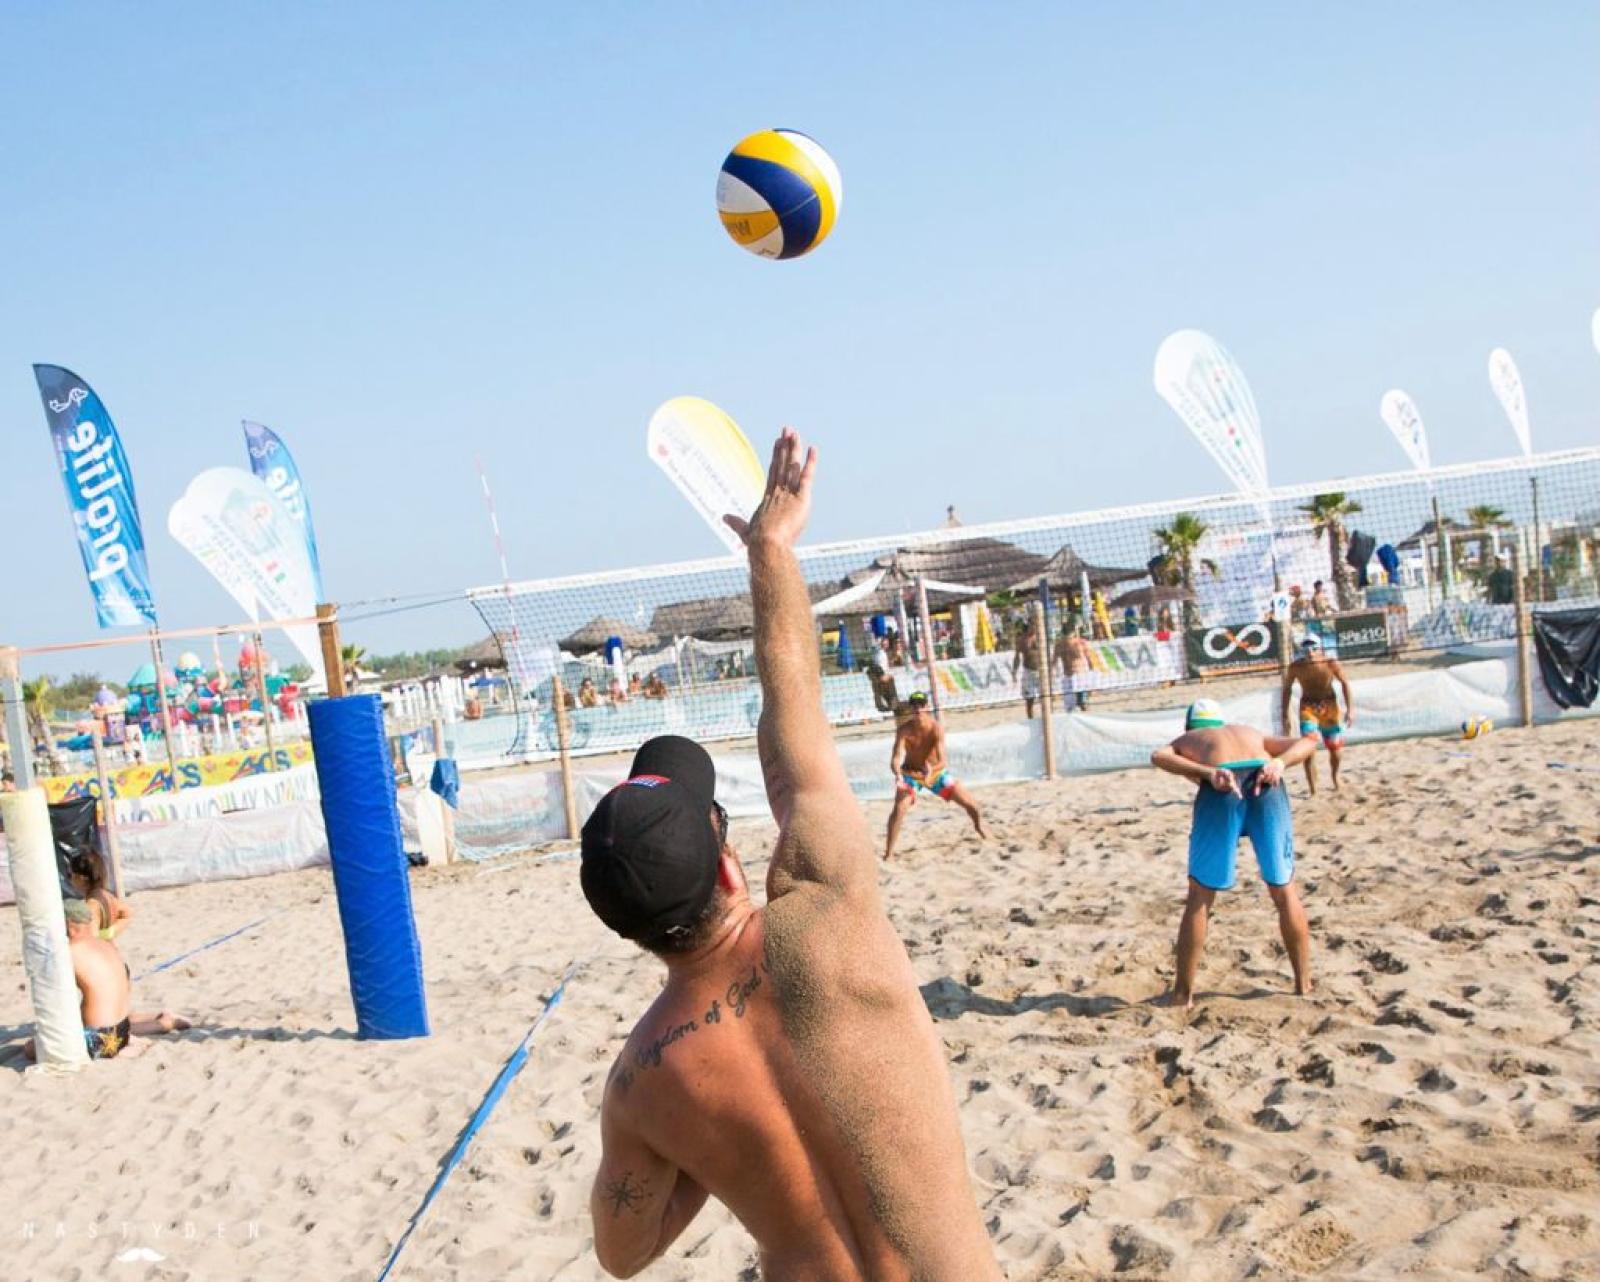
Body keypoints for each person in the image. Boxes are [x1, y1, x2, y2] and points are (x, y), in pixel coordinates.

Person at [580, 428, 1000, 1278]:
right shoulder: (831, 906)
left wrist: (700, 1150)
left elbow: (622, 1254)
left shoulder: (640, 1085)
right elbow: (794, 719)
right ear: (732, 867)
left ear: (629, 930)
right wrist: (772, 548)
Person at [1151, 699, 1319, 1009]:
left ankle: (1182, 995)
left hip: (1221, 789)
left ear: (1191, 728)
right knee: (1284, 891)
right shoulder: (1249, 733)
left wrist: (1207, 771)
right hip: (1265, 781)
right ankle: (1303, 983)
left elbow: (1159, 755)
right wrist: (1280, 763)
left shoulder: (1190, 740)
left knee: (1200, 896)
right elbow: (1309, 740)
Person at [884, 692, 987, 860]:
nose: (918, 708)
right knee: (899, 809)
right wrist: (897, 773)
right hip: (911, 773)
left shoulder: (935, 728)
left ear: (926, 707)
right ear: (910, 708)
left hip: (936, 773)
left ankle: (980, 828)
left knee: (971, 805)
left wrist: (931, 770)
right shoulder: (904, 730)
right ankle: (889, 852)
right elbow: (896, 757)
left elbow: (942, 761)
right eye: (914, 705)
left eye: (921, 705)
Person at [1280, 635, 1354, 794]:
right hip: (1308, 707)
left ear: (1320, 648)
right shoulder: (1296, 667)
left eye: (1313, 648)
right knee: (1308, 748)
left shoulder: (1330, 663)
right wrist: (1285, 715)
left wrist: (1350, 710)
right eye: (1306, 649)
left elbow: (1345, 683)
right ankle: (1313, 789)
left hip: (1329, 706)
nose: (1310, 652)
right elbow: (1286, 689)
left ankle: (1335, 777)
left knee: (1335, 748)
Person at [68, 849, 131, 941]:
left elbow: (92, 937)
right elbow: (127, 914)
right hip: (109, 950)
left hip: (99, 953)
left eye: (70, 875)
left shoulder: (92, 905)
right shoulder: (106, 895)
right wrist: (109, 933)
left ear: (82, 878)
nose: (70, 880)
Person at [1054, 621, 1093, 711]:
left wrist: (1091, 677)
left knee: (1083, 703)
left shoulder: (1081, 643)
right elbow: (1054, 662)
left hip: (1080, 676)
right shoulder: (1060, 645)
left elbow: (1089, 660)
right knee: (1070, 707)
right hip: (1068, 676)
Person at [1011, 618, 1044, 718]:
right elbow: (1017, 657)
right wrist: (1014, 672)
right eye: (1032, 625)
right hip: (1028, 670)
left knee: (1045, 697)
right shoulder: (1022, 639)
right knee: (1029, 699)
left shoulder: (1040, 637)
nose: (1034, 627)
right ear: (1029, 625)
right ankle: (1030, 718)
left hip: (1041, 669)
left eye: (1036, 625)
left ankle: (1046, 717)